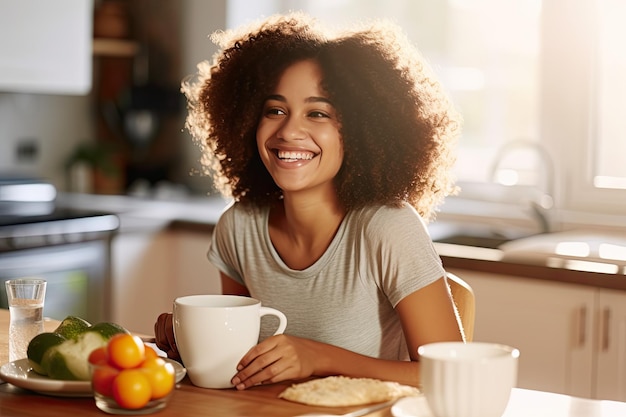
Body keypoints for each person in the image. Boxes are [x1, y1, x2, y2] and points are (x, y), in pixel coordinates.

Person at [154, 12, 463, 390]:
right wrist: (189, 341)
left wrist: (319, 357)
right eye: (275, 110)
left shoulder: (387, 228)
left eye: (317, 113)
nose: (289, 130)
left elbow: (453, 375)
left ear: (364, 132)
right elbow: (244, 364)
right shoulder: (239, 227)